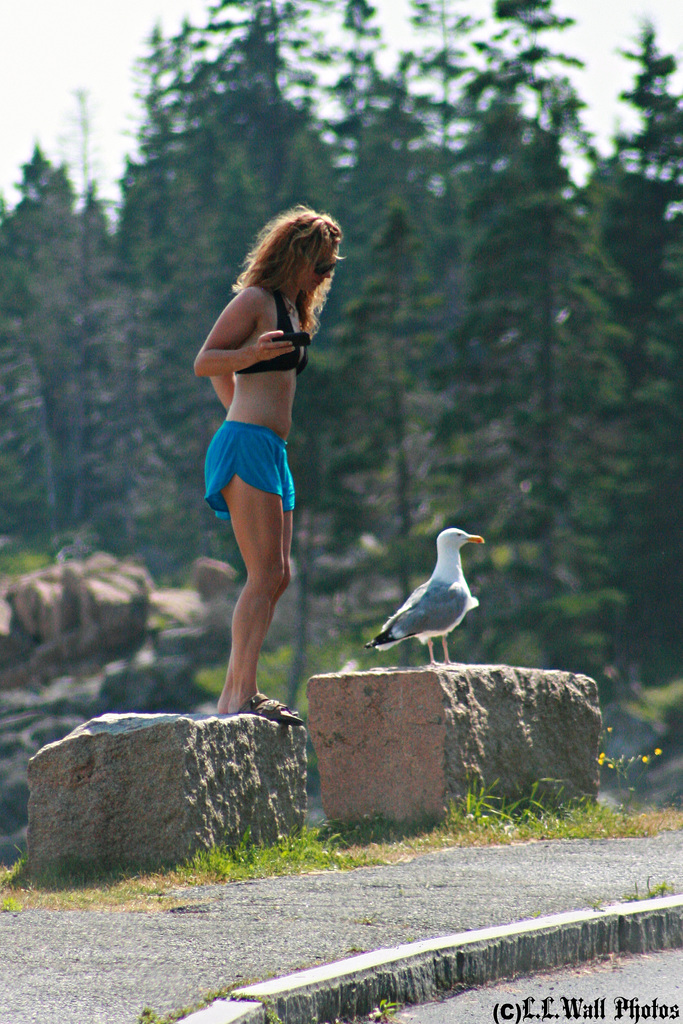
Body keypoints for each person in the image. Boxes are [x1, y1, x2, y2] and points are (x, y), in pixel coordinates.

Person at [194, 206, 342, 724]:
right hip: (248, 444)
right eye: (320, 264)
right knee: (264, 573)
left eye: (330, 267)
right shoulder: (255, 301)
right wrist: (250, 364)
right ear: (296, 256)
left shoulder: (292, 308)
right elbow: (206, 360)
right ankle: (239, 697)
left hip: (270, 450)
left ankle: (237, 695)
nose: (325, 275)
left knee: (278, 576)